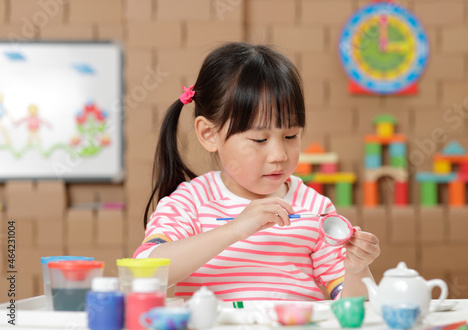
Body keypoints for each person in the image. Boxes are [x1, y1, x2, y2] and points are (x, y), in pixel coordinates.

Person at [134, 42, 380, 301]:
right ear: (209, 134)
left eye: (291, 135)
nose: (279, 155)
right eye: (259, 140)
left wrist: (357, 268)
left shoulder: (314, 206)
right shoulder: (192, 201)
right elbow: (144, 273)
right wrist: (234, 230)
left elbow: (352, 307)